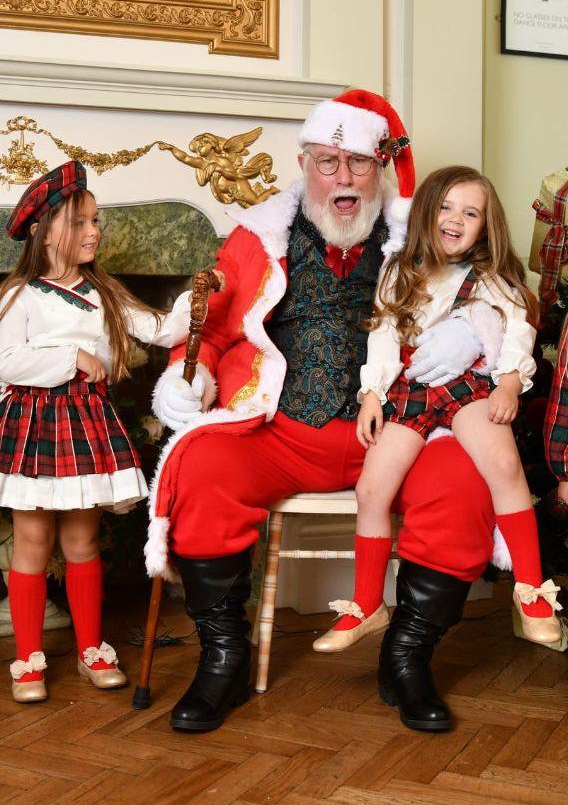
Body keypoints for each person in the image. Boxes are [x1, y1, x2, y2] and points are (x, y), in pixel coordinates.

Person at [147, 90, 503, 734]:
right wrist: (182, 378)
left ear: (381, 170)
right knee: (201, 466)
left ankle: (407, 658)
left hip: (403, 429)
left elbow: (505, 289)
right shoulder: (260, 238)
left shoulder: (422, 234)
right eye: (328, 161)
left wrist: (476, 331)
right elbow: (212, 329)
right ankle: (224, 659)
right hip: (281, 430)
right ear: (304, 162)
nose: (343, 178)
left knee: (462, 480)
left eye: (359, 164)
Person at [314, 166, 563, 658]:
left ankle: (531, 589)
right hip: (411, 389)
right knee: (372, 487)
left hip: (469, 386)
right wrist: (371, 394)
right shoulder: (398, 272)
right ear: (427, 213)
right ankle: (367, 603)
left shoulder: (491, 279)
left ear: (485, 226)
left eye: (470, 213)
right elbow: (383, 334)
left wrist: (511, 381)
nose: (456, 219)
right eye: (446, 208)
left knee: (505, 468)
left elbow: (519, 330)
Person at [0, 161, 191, 703]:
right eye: (82, 222)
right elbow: (6, 359)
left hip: (85, 426)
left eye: (96, 221)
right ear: (46, 230)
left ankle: (91, 649)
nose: (95, 232)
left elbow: (162, 329)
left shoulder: (104, 292)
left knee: (82, 540)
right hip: (36, 430)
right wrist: (72, 355)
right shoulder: (20, 296)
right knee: (33, 541)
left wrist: (197, 296)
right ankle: (28, 659)